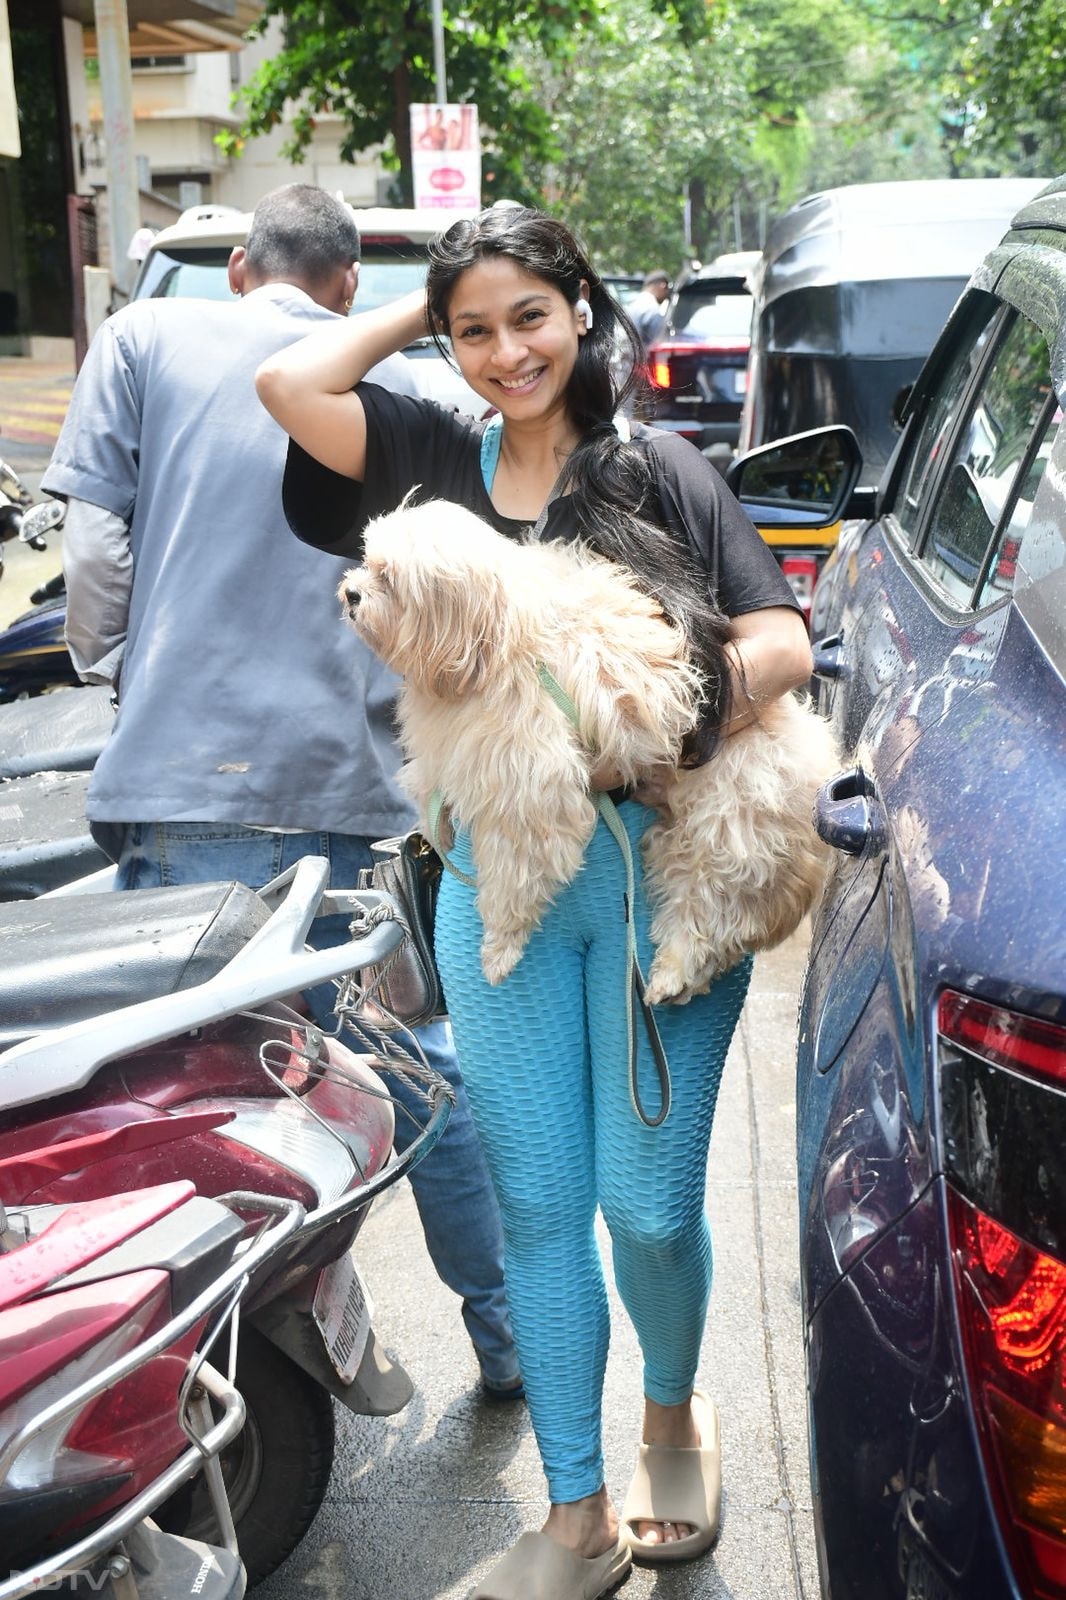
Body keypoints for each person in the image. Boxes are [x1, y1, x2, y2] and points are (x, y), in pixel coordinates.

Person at [255, 205, 812, 1600]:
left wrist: (674, 723)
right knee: (539, 1207)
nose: (506, 352)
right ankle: (572, 1515)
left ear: (583, 310)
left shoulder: (659, 470)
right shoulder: (432, 460)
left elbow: (782, 639)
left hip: (656, 879)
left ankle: (673, 1412)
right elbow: (291, 385)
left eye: (531, 316)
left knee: (647, 1211)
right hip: (492, 891)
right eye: (473, 330)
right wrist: (423, 298)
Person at [41, 183, 522, 1405]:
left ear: (241, 267)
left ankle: (196, 1369)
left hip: (178, 784)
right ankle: (514, 1334)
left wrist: (125, 668)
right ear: (347, 285)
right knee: (400, 1064)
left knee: (183, 1085)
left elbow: (92, 552)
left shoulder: (146, 335)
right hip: (346, 793)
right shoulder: (403, 397)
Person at [627, 267, 671, 352]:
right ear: (663, 286)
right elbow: (656, 344)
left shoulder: (632, 305)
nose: (666, 295)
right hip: (640, 361)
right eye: (667, 290)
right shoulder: (653, 309)